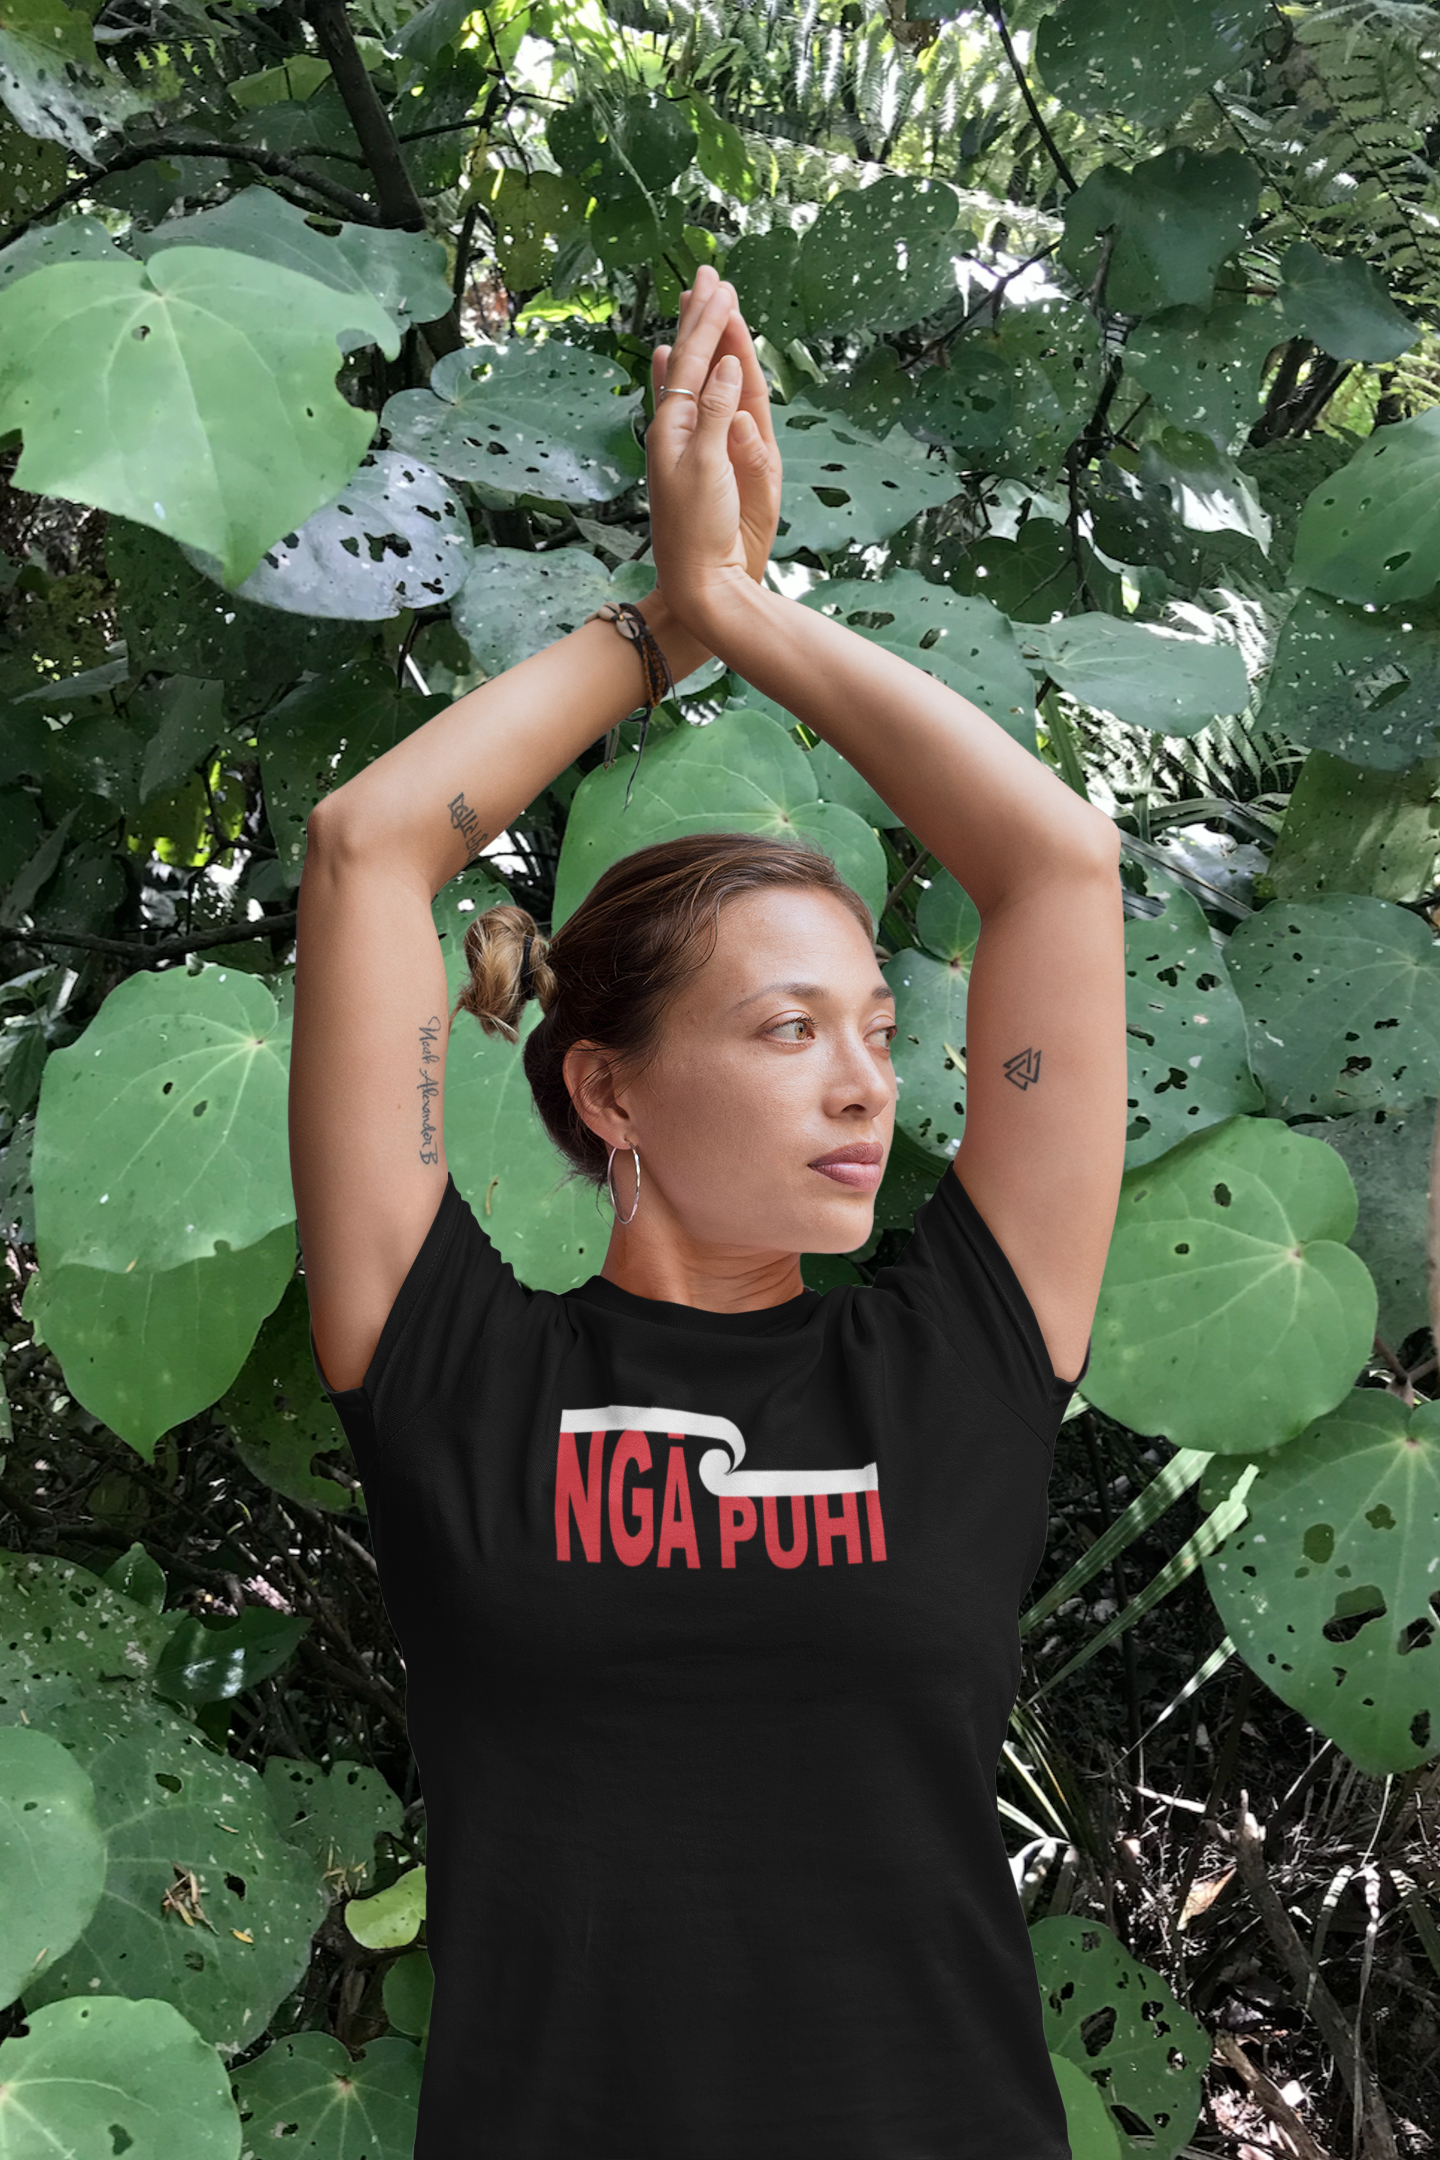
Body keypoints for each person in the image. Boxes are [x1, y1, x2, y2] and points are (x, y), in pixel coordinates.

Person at [290, 262, 1127, 2158]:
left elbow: (1058, 873)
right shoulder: (454, 1373)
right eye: (784, 1028)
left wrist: (750, 607)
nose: (864, 1082)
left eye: (877, 1031)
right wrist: (651, 634)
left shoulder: (962, 1361)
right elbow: (369, 849)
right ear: (607, 1090)